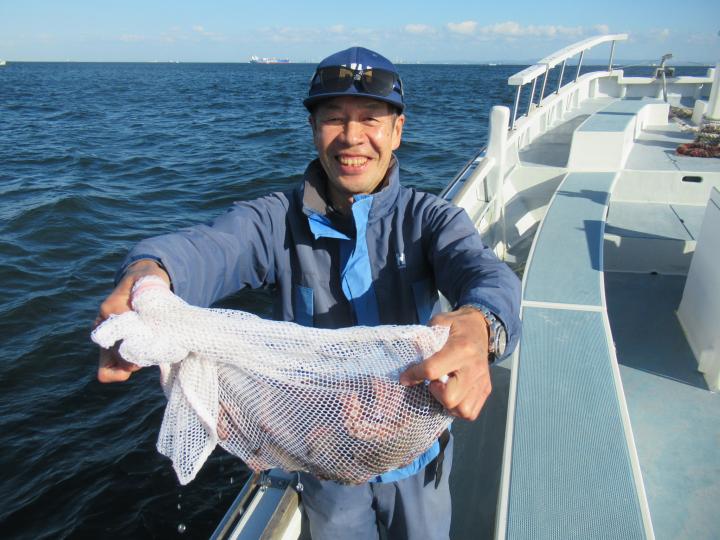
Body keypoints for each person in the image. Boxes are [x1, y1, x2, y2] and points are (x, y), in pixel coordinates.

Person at [96, 46, 521, 539]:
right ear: (314, 129)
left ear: (397, 131)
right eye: (334, 118)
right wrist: (149, 272)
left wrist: (481, 324)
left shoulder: (431, 219)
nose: (352, 136)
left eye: (371, 118)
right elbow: (206, 249)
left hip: (417, 456)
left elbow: (485, 273)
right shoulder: (274, 221)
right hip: (322, 461)